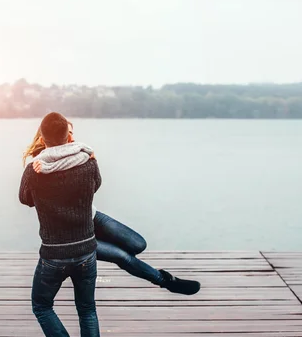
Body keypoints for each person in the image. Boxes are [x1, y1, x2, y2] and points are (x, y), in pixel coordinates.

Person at [23, 123, 201, 299]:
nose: (72, 138)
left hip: (91, 217)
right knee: (123, 257)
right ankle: (165, 280)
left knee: (138, 244)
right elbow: (27, 199)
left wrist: (92, 161)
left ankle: (143, 269)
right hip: (76, 236)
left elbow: (95, 185)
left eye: (72, 133)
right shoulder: (39, 167)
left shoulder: (79, 157)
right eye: (68, 134)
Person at [19, 112, 101, 337]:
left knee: (41, 305)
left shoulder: (35, 169)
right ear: (69, 135)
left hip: (54, 253)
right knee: (87, 309)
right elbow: (96, 185)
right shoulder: (88, 161)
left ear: (42, 139)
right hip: (86, 249)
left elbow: (24, 200)